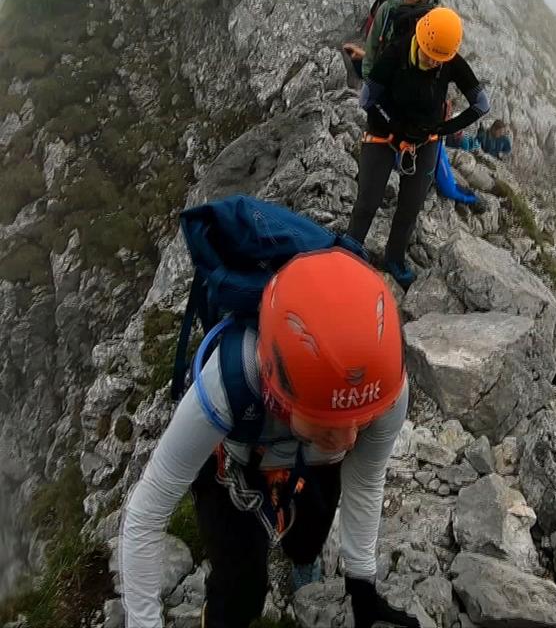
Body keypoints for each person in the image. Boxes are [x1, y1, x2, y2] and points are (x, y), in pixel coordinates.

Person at [120, 248, 419, 628]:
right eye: (329, 423)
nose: (348, 440)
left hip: (309, 461)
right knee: (240, 587)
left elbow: (365, 477)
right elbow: (147, 512)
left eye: (361, 421)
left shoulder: (384, 388)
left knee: (308, 542)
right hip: (237, 460)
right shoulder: (228, 384)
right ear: (276, 395)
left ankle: (301, 562)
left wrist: (362, 588)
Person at [347, 7, 490, 289]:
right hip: (384, 134)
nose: (434, 63)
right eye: (429, 56)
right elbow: (367, 100)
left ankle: (394, 259)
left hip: (425, 141)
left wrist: (440, 130)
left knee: (409, 208)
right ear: (420, 41)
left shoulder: (449, 60)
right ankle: (348, 254)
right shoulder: (395, 54)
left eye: (440, 60)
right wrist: (397, 128)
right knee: (367, 202)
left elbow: (481, 104)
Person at [361, 0, 441, 80]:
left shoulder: (432, 17)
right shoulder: (388, 7)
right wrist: (368, 79)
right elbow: (372, 44)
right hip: (383, 71)